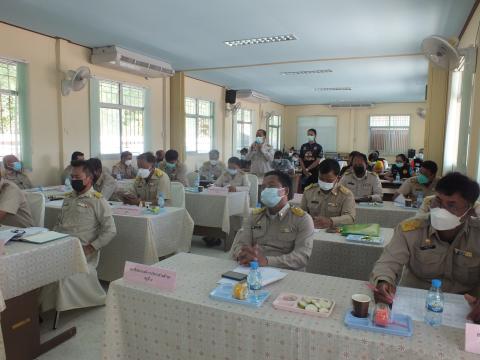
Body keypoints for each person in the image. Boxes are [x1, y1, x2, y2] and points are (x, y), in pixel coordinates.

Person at [370, 173, 480, 323]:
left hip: (466, 311)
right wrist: (383, 282)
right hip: (413, 306)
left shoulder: (477, 234)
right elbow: (388, 262)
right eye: (438, 201)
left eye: (451, 205)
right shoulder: (410, 229)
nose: (441, 209)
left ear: (470, 211)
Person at [39, 160, 116, 313]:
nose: (73, 180)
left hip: (81, 251)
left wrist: (91, 247)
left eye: (77, 177)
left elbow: (111, 230)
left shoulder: (98, 200)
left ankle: (44, 307)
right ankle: (32, 308)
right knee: (36, 266)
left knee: (55, 270)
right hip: (59, 246)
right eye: (72, 177)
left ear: (89, 178)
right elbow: (59, 224)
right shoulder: (68, 198)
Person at [230, 170, 314, 271]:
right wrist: (242, 254)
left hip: (286, 271)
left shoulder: (302, 219)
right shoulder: (253, 216)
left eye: (271, 186)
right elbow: (241, 244)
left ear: (285, 191)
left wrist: (266, 261)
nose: (265, 190)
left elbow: (301, 257)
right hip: (253, 268)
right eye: (263, 187)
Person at [301, 159, 355, 228]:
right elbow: (301, 213)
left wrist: (331, 221)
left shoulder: (346, 195)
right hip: (312, 231)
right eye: (321, 179)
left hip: (334, 233)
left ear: (338, 179)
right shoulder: (309, 191)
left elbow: (350, 218)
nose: (324, 182)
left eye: (329, 180)